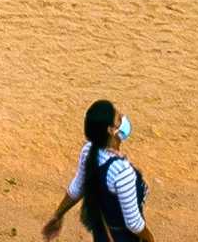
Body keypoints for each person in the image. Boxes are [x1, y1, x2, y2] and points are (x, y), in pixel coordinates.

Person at [44, 99, 147, 240]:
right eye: (119, 118)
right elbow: (134, 224)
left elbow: (78, 187)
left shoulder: (89, 151)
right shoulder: (122, 172)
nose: (123, 118)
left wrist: (58, 215)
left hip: (102, 234)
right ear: (111, 130)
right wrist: (150, 238)